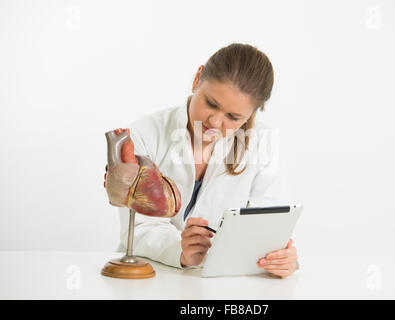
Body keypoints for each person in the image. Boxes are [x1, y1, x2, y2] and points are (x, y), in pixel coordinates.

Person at [111, 43, 299, 278]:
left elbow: (270, 226)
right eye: (211, 103)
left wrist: (281, 257)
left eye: (234, 117)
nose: (216, 122)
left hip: (225, 285)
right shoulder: (145, 133)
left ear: (252, 113)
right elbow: (138, 227)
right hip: (150, 278)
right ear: (197, 78)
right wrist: (179, 249)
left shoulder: (262, 142)